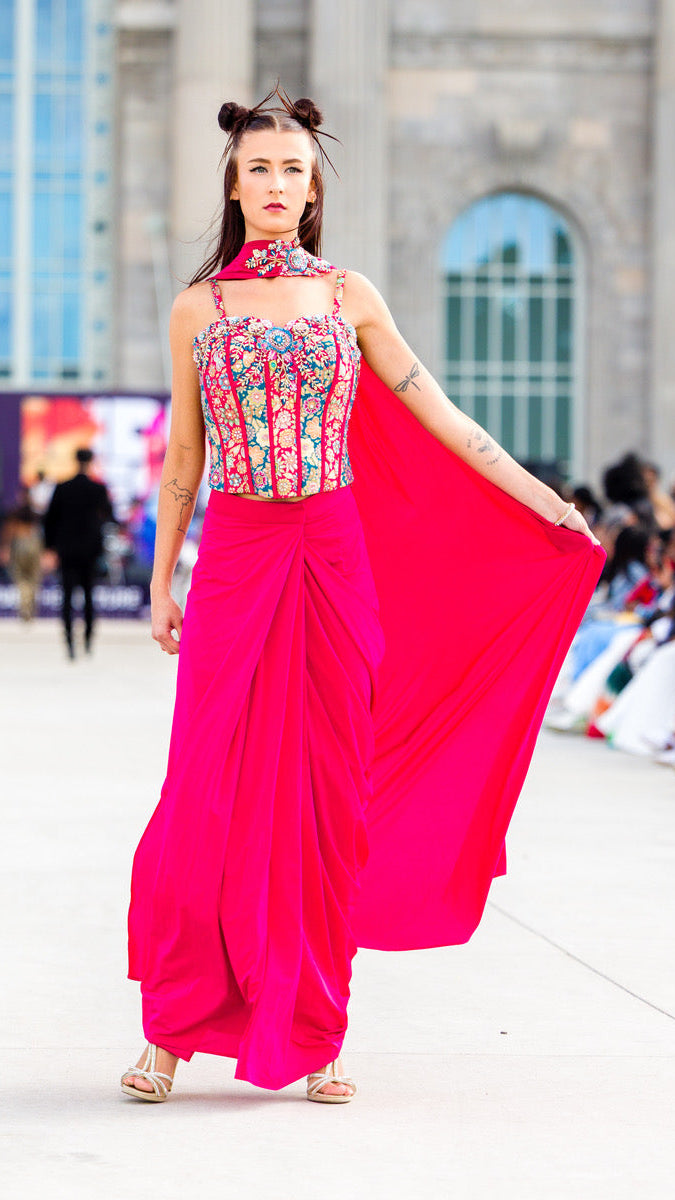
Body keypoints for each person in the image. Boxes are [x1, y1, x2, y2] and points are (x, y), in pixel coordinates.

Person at [122, 86, 604, 1106]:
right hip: (240, 558)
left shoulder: (351, 296)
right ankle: (172, 1025)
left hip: (333, 562)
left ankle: (319, 1027)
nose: (274, 185)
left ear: (312, 186)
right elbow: (185, 463)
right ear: (234, 182)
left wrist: (544, 500)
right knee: (203, 795)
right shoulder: (198, 309)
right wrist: (163, 582)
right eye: (258, 168)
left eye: (291, 169)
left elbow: (444, 416)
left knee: (326, 797)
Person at [43, 447, 115, 658]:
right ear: (91, 460)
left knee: (66, 596)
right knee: (89, 596)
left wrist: (50, 547)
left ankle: (69, 643)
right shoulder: (98, 489)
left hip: (67, 550)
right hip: (91, 550)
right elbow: (110, 517)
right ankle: (88, 640)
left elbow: (50, 520)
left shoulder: (63, 487)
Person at [0, 487, 44, 621]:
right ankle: (29, 607)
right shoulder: (34, 512)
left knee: (22, 578)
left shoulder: (17, 512)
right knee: (32, 578)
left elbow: (9, 530)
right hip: (33, 543)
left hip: (21, 543)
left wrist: (5, 548)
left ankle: (25, 607)